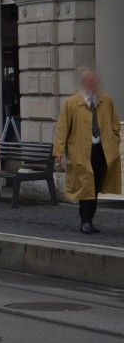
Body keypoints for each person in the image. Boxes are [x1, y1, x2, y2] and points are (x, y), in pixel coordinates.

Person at [54, 69, 121, 234]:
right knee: (86, 187)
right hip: (81, 152)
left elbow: (114, 124)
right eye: (90, 82)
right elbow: (62, 128)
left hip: (101, 151)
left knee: (95, 185)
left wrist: (114, 140)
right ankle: (86, 221)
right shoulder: (72, 103)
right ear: (83, 83)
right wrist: (59, 150)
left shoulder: (106, 100)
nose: (93, 85)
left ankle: (88, 220)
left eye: (95, 82)